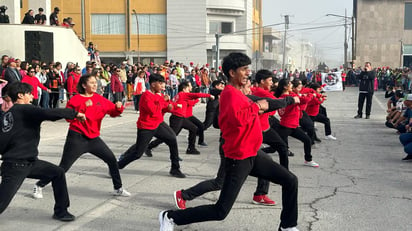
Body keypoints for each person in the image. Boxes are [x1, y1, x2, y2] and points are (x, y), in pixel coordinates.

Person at [159, 52, 299, 231]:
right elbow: (237, 120)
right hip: (238, 158)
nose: (248, 73)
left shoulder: (241, 94)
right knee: (220, 211)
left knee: (290, 180)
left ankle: (287, 226)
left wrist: (284, 101)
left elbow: (265, 103)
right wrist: (257, 107)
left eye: (249, 69)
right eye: (244, 69)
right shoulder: (229, 94)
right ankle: (170, 217)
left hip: (253, 154)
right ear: (232, 73)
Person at [34, 74, 130, 198]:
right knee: (64, 167)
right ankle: (39, 185)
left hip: (93, 138)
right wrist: (84, 107)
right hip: (77, 137)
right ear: (84, 85)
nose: (95, 85)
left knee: (111, 159)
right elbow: (68, 118)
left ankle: (118, 188)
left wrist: (118, 108)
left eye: (95, 82)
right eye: (91, 83)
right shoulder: (75, 99)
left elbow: (113, 112)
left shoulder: (100, 99)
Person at [0, 82, 86, 221]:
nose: (32, 96)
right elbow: (47, 113)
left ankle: (61, 211)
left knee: (57, 173)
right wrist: (74, 113)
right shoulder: (25, 109)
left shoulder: (7, 114)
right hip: (16, 165)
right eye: (29, 93)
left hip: (29, 162)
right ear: (20, 95)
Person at [117, 73, 186, 178]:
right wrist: (162, 100)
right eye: (161, 83)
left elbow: (164, 106)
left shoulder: (159, 95)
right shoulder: (146, 96)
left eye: (163, 83)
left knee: (172, 138)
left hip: (158, 123)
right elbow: (153, 111)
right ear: (153, 84)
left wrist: (170, 107)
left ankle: (175, 168)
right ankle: (117, 166)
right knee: (138, 153)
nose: (163, 85)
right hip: (146, 127)